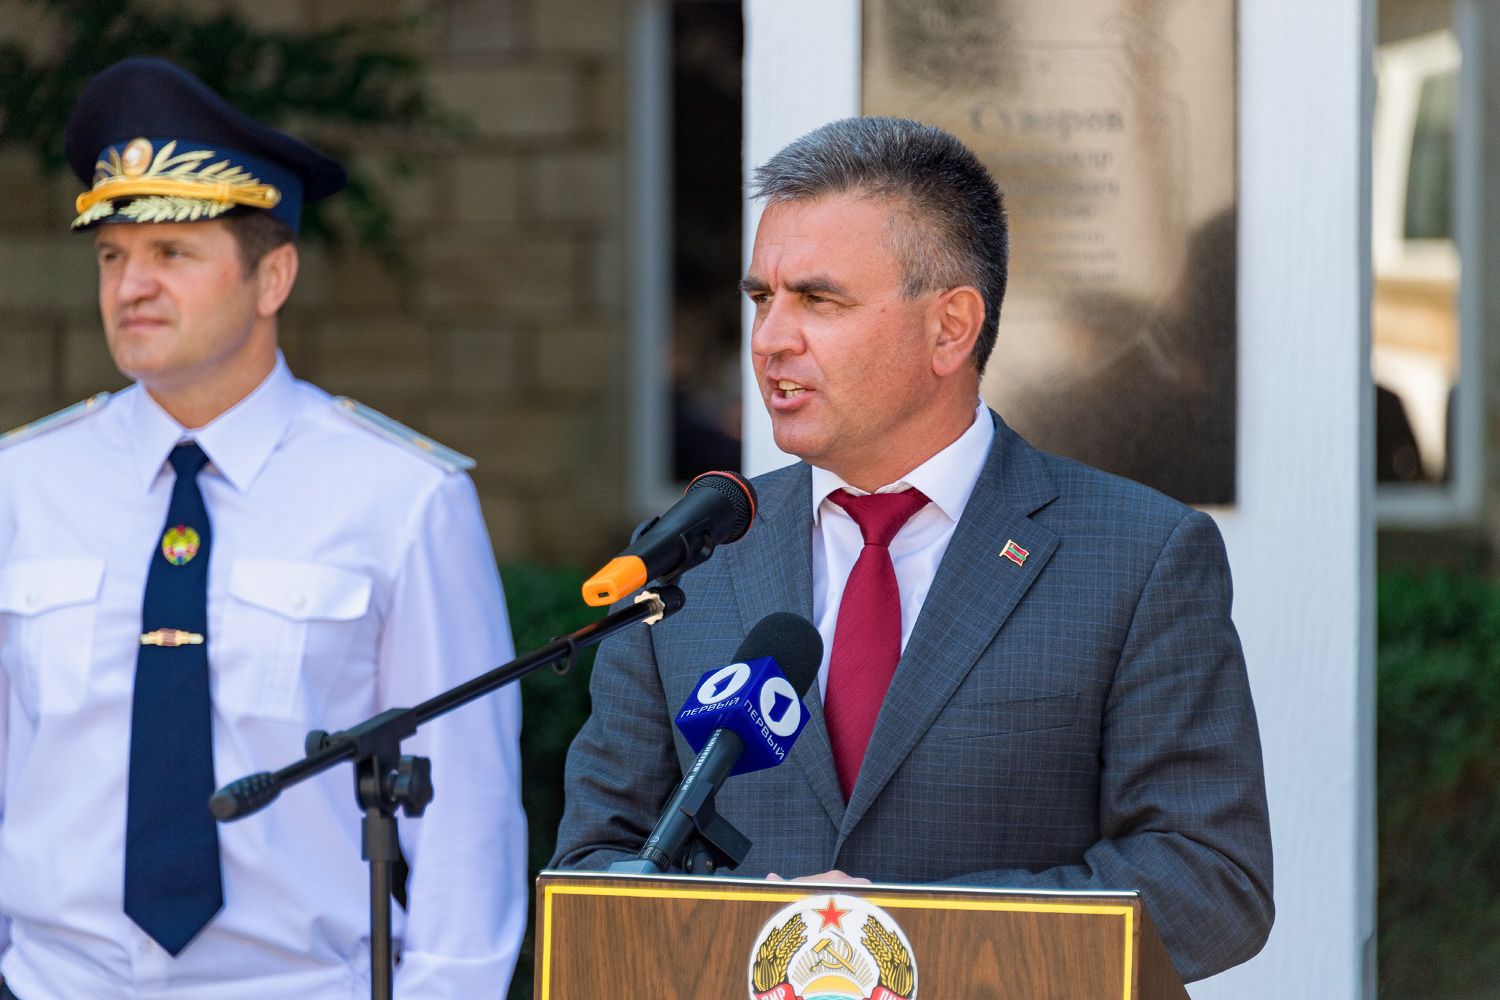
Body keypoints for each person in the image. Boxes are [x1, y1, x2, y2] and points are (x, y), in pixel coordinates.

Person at [551, 116, 1272, 983]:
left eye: (818, 300)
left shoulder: (1138, 555)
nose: (770, 338)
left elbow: (1208, 878)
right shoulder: (690, 559)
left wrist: (896, 939)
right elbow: (595, 864)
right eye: (762, 297)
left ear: (950, 328)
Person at [0, 58, 526, 998]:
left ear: (273, 275)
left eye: (172, 253)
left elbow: (465, 817)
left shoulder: (401, 496)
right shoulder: (24, 486)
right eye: (112, 256)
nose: (131, 286)